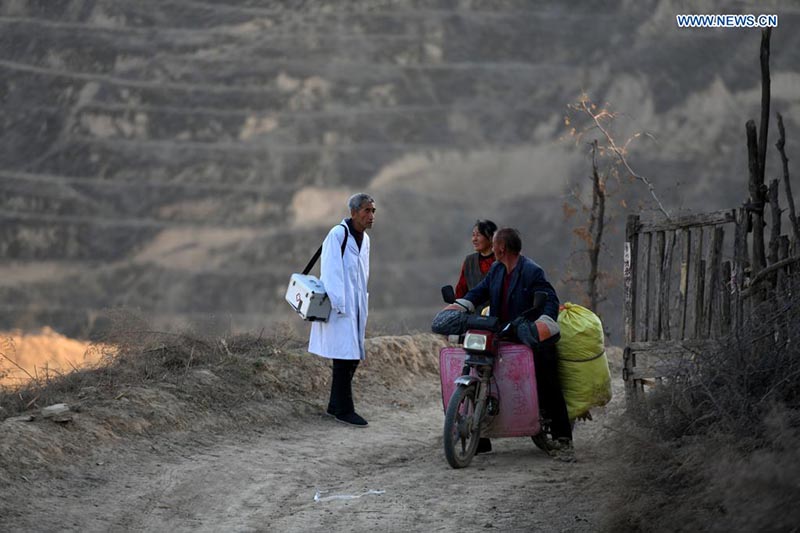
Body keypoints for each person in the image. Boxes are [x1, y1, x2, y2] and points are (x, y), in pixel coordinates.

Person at [460, 228, 573, 459]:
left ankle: (563, 438)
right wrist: (460, 305)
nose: (491, 247)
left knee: (548, 382)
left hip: (530, 336)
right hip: (504, 333)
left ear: (502, 248)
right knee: (479, 371)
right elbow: (479, 292)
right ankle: (480, 437)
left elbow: (550, 299)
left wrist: (543, 323)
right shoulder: (496, 269)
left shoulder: (532, 271)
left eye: (494, 243)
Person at [308, 193, 376, 427]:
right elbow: (330, 271)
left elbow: (363, 273)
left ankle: (335, 405)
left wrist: (360, 301)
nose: (371, 215)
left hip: (356, 305)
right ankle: (344, 410)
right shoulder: (338, 234)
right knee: (344, 358)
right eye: (367, 211)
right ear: (354, 213)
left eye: (373, 211)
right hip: (340, 307)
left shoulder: (365, 239)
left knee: (351, 356)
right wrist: (339, 305)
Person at [454, 220, 497, 305]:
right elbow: (461, 290)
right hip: (474, 311)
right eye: (473, 235)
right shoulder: (469, 261)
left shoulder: (501, 261)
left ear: (491, 237)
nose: (474, 239)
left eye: (478, 235)